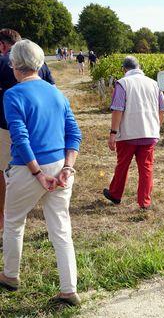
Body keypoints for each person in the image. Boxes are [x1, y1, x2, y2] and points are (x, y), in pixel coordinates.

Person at [0, 39, 82, 306]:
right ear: (40, 63)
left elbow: (20, 139)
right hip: (60, 166)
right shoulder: (57, 93)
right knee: (61, 228)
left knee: (13, 222)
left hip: (29, 169)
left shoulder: (13, 95)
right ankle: (69, 289)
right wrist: (68, 167)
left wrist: (37, 173)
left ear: (14, 65)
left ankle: (10, 276)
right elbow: (74, 133)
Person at [0, 28, 55, 230]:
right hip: (39, 127)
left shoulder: (3, 62)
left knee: (5, 169)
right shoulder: (40, 62)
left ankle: (4, 215)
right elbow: (52, 89)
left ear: (3, 45)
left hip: (6, 126)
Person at [103, 56, 164, 210]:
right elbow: (162, 109)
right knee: (146, 168)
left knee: (122, 165)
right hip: (149, 133)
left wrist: (113, 133)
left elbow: (118, 109)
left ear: (125, 69)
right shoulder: (154, 84)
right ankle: (144, 202)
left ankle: (115, 194)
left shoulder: (123, 83)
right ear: (139, 67)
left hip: (128, 134)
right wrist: (155, 126)